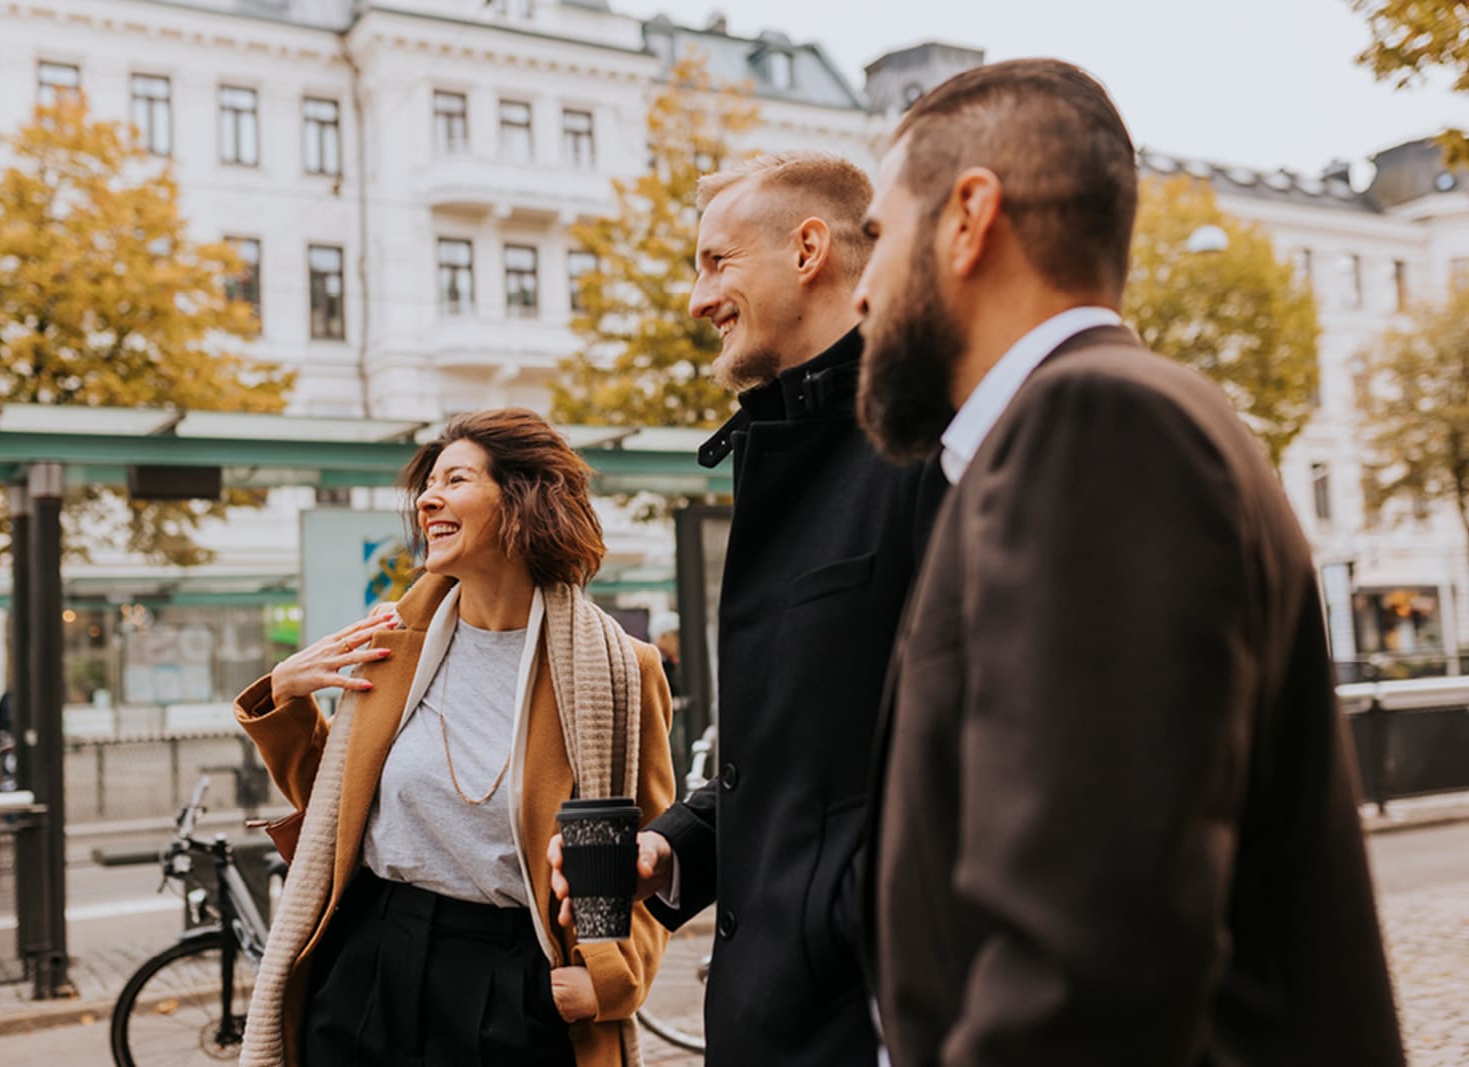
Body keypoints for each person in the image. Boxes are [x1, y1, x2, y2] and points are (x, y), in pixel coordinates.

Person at [853, 59, 1404, 1065]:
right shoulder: (1119, 420)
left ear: (967, 218)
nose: (860, 290)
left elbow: (1087, 962)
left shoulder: (1096, 425)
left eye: (877, 236)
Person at [554, 153, 947, 1066]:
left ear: (810, 248)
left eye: (716, 262)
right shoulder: (787, 444)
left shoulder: (934, 443)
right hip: (776, 1020)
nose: (698, 299)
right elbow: (810, 753)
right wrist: (672, 846)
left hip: (865, 1022)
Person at [234, 408, 676, 1067]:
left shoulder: (616, 668)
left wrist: (613, 979)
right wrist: (289, 702)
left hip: (511, 975)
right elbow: (348, 812)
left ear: (526, 499)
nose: (428, 499)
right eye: (428, 484)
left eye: (457, 479)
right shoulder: (391, 644)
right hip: (371, 959)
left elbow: (650, 854)